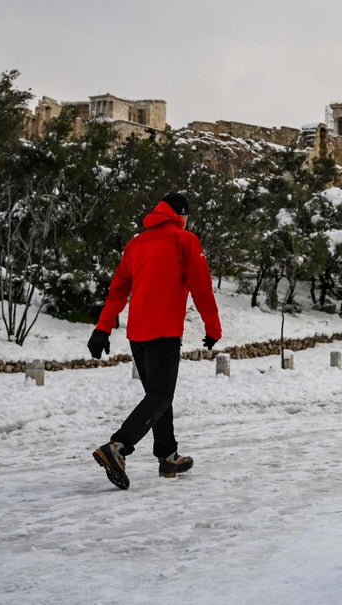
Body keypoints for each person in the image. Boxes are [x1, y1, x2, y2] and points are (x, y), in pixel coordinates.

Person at [88, 191, 222, 490]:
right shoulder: (185, 240)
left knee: (158, 396)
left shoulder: (136, 243)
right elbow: (202, 287)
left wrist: (103, 328)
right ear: (181, 215)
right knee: (160, 396)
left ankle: (168, 454)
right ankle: (119, 446)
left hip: (138, 334)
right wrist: (213, 326)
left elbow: (118, 289)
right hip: (164, 333)